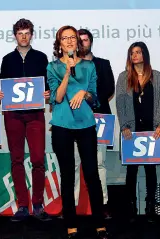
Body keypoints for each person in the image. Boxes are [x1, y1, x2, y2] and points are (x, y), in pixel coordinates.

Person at [47, 25, 109, 239]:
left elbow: (95, 98)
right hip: (62, 125)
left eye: (72, 37)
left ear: (78, 41)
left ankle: (100, 222)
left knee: (92, 174)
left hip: (86, 125)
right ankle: (70, 224)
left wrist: (84, 92)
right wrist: (67, 72)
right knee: (67, 175)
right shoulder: (52, 66)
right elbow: (56, 97)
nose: (70, 41)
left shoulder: (90, 66)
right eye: (65, 38)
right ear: (60, 44)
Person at [0, 18, 51, 222]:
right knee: (16, 159)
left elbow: (48, 84)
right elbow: (3, 87)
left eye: (27, 33)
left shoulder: (41, 57)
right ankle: (22, 206)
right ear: (15, 36)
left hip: (36, 114)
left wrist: (48, 93)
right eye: (20, 33)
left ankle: (38, 204)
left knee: (37, 159)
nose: (24, 37)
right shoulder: (7, 59)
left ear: (32, 34)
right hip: (13, 115)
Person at [116, 42, 160, 223]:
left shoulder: (156, 76)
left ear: (145, 54)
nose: (135, 55)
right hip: (132, 129)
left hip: (151, 130)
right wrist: (124, 126)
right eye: (132, 53)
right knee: (132, 169)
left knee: (151, 169)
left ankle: (150, 205)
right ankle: (131, 205)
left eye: (138, 52)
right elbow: (120, 104)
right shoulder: (123, 77)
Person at [72, 29, 115, 219]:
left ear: (91, 42)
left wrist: (89, 97)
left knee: (99, 164)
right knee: (73, 163)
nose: (82, 43)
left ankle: (102, 204)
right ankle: (71, 205)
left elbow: (108, 89)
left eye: (85, 40)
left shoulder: (103, 64)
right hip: (75, 118)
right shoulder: (70, 65)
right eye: (78, 40)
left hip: (100, 118)